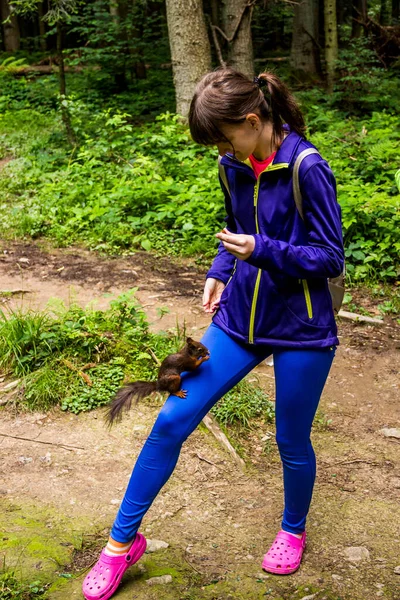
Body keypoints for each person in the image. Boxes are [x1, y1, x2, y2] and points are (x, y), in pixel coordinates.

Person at [82, 68, 344, 600]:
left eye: (225, 137)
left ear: (251, 120)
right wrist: (219, 270)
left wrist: (261, 251)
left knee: (290, 439)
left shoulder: (307, 168)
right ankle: (119, 545)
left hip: (300, 326)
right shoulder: (234, 164)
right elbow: (234, 231)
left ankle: (293, 530)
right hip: (238, 320)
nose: (221, 149)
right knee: (172, 417)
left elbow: (329, 256)